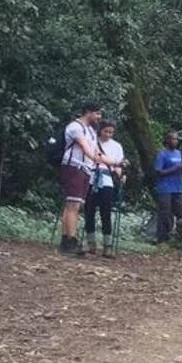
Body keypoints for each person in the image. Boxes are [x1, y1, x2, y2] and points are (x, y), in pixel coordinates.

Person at [58, 102, 118, 255]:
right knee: (73, 205)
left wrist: (116, 162)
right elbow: (86, 149)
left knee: (75, 205)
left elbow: (96, 152)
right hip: (74, 166)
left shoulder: (91, 131)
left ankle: (67, 239)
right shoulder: (75, 127)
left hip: (85, 169)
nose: (99, 117)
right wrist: (96, 159)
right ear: (88, 112)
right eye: (97, 114)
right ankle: (70, 241)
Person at [83, 121, 126, 257]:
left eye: (111, 132)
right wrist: (109, 161)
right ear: (100, 130)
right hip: (91, 177)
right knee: (89, 211)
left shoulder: (117, 146)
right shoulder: (92, 142)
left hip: (107, 180)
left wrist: (121, 173)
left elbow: (119, 164)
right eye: (106, 131)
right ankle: (91, 243)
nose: (108, 134)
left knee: (105, 212)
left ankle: (107, 245)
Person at [152, 130, 182, 244]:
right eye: (173, 139)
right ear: (167, 140)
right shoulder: (162, 154)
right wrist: (176, 168)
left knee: (179, 211)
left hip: (177, 187)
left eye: (177, 139)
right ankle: (162, 238)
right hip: (165, 188)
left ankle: (176, 236)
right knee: (165, 213)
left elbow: (180, 167)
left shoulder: (178, 153)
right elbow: (158, 172)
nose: (176, 141)